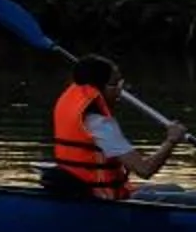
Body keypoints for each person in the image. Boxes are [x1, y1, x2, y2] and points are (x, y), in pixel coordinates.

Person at [40, 55, 186, 199]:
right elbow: (145, 170)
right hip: (104, 200)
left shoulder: (76, 110)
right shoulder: (100, 125)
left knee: (175, 188)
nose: (121, 90)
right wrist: (171, 141)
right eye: (115, 83)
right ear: (98, 87)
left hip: (89, 191)